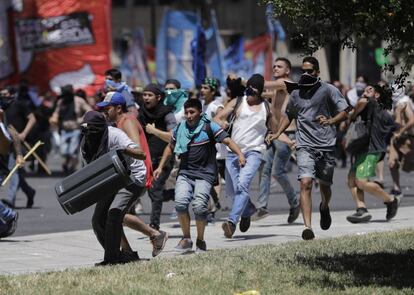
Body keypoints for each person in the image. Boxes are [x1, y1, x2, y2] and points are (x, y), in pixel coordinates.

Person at [267, 56, 349, 240]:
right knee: (305, 183)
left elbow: (344, 111)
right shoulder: (296, 93)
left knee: (325, 186)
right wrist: (277, 132)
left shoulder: (328, 90)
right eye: (303, 71)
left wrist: (331, 121)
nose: (305, 74)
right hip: (304, 144)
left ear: (317, 72)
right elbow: (289, 115)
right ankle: (308, 227)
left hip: (326, 145)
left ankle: (324, 206)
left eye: (309, 71)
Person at [154, 99, 245, 252]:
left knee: (199, 206)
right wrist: (160, 167)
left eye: (192, 112)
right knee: (180, 203)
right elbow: (170, 147)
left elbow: (228, 141)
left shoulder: (209, 126)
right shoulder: (180, 129)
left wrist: (240, 155)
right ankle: (186, 238)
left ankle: (200, 240)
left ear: (200, 112)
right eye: (187, 112)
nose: (189, 116)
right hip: (185, 173)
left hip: (205, 174)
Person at [97, 91, 168, 258]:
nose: (105, 112)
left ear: (118, 108)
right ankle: (131, 248)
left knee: (114, 214)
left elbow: (138, 150)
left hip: (136, 175)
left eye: (108, 108)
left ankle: (153, 235)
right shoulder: (117, 124)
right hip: (127, 175)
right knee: (116, 214)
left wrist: (120, 150)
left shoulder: (127, 122)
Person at [215, 74, 277, 238]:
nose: (249, 94)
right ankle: (248, 209)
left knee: (242, 185)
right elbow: (216, 119)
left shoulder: (266, 107)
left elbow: (275, 129)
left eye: (253, 91)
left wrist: (282, 138)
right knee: (235, 190)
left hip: (254, 152)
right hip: (233, 152)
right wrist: (222, 123)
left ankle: (231, 222)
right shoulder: (238, 102)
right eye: (247, 89)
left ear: (260, 93)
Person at [80, 111, 146, 266]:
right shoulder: (86, 142)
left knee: (114, 212)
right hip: (110, 180)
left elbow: (141, 154)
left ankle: (112, 259)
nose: (90, 134)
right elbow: (86, 169)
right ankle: (119, 255)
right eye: (86, 130)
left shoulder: (115, 135)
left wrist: (122, 150)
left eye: (93, 130)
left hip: (132, 177)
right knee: (98, 220)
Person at [254, 57, 300, 223]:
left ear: (287, 71)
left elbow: (264, 85)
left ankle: (295, 203)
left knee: (277, 172)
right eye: (274, 66)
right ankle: (262, 207)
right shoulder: (277, 87)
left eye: (279, 66)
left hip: (287, 133)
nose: (275, 68)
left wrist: (246, 81)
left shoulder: (286, 83)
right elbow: (264, 92)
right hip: (273, 134)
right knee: (265, 169)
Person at [346, 85, 401, 223]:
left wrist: (352, 115)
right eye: (364, 90)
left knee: (361, 181)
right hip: (363, 148)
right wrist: (399, 113)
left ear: (377, 95)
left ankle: (391, 200)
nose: (364, 93)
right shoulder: (377, 110)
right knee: (352, 179)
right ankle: (361, 209)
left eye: (369, 90)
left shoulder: (369, 104)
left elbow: (360, 104)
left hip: (372, 150)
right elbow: (397, 126)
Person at [138, 83, 177, 230]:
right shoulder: (141, 113)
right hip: (147, 159)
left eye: (150, 95)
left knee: (155, 190)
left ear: (158, 97)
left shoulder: (167, 113)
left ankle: (154, 226)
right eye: (144, 95)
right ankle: (173, 194)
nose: (146, 98)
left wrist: (154, 131)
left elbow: (172, 138)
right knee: (152, 191)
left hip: (164, 158)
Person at [1, 86, 37, 208]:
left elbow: (32, 119)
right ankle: (29, 191)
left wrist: (24, 134)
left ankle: (11, 200)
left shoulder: (19, 105)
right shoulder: (2, 109)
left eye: (5, 94)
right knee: (11, 172)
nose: (2, 96)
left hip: (17, 144)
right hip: (3, 146)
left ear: (11, 94)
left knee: (13, 171)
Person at [49, 85, 92, 174]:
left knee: (72, 151)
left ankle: (72, 166)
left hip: (75, 129)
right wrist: (54, 118)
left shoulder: (78, 101)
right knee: (64, 151)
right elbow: (56, 112)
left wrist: (81, 119)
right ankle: (68, 162)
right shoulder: (61, 102)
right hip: (64, 130)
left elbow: (89, 110)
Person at [388, 85, 414, 198]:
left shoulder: (404, 103)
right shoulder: (394, 103)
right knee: (392, 163)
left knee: (408, 167)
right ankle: (396, 188)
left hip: (408, 137)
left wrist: (401, 131)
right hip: (397, 138)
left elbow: (412, 120)